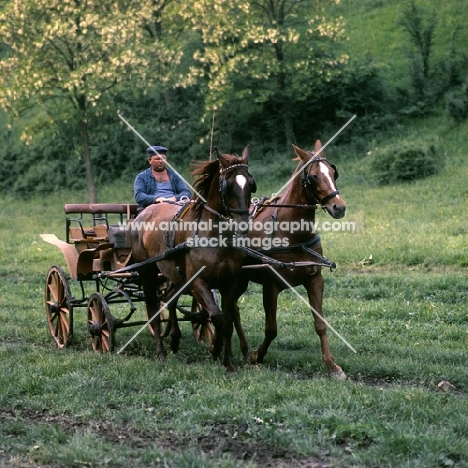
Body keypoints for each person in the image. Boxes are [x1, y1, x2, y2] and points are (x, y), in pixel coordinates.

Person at [134, 145, 191, 213]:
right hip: (150, 209)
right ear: (150, 160)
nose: (161, 161)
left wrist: (175, 198)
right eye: (157, 159)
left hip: (174, 207)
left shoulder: (174, 176)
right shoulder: (142, 177)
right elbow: (139, 196)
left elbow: (187, 192)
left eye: (163, 158)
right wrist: (156, 199)